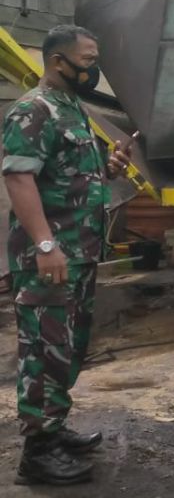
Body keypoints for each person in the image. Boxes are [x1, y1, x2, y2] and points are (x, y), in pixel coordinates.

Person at [2, 25, 133, 487]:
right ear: (59, 62)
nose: (93, 69)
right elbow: (18, 179)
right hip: (51, 257)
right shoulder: (33, 110)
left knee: (66, 347)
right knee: (42, 349)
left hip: (78, 253)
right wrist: (45, 245)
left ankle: (54, 431)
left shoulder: (71, 108)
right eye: (88, 59)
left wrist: (110, 166)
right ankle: (37, 454)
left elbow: (69, 175)